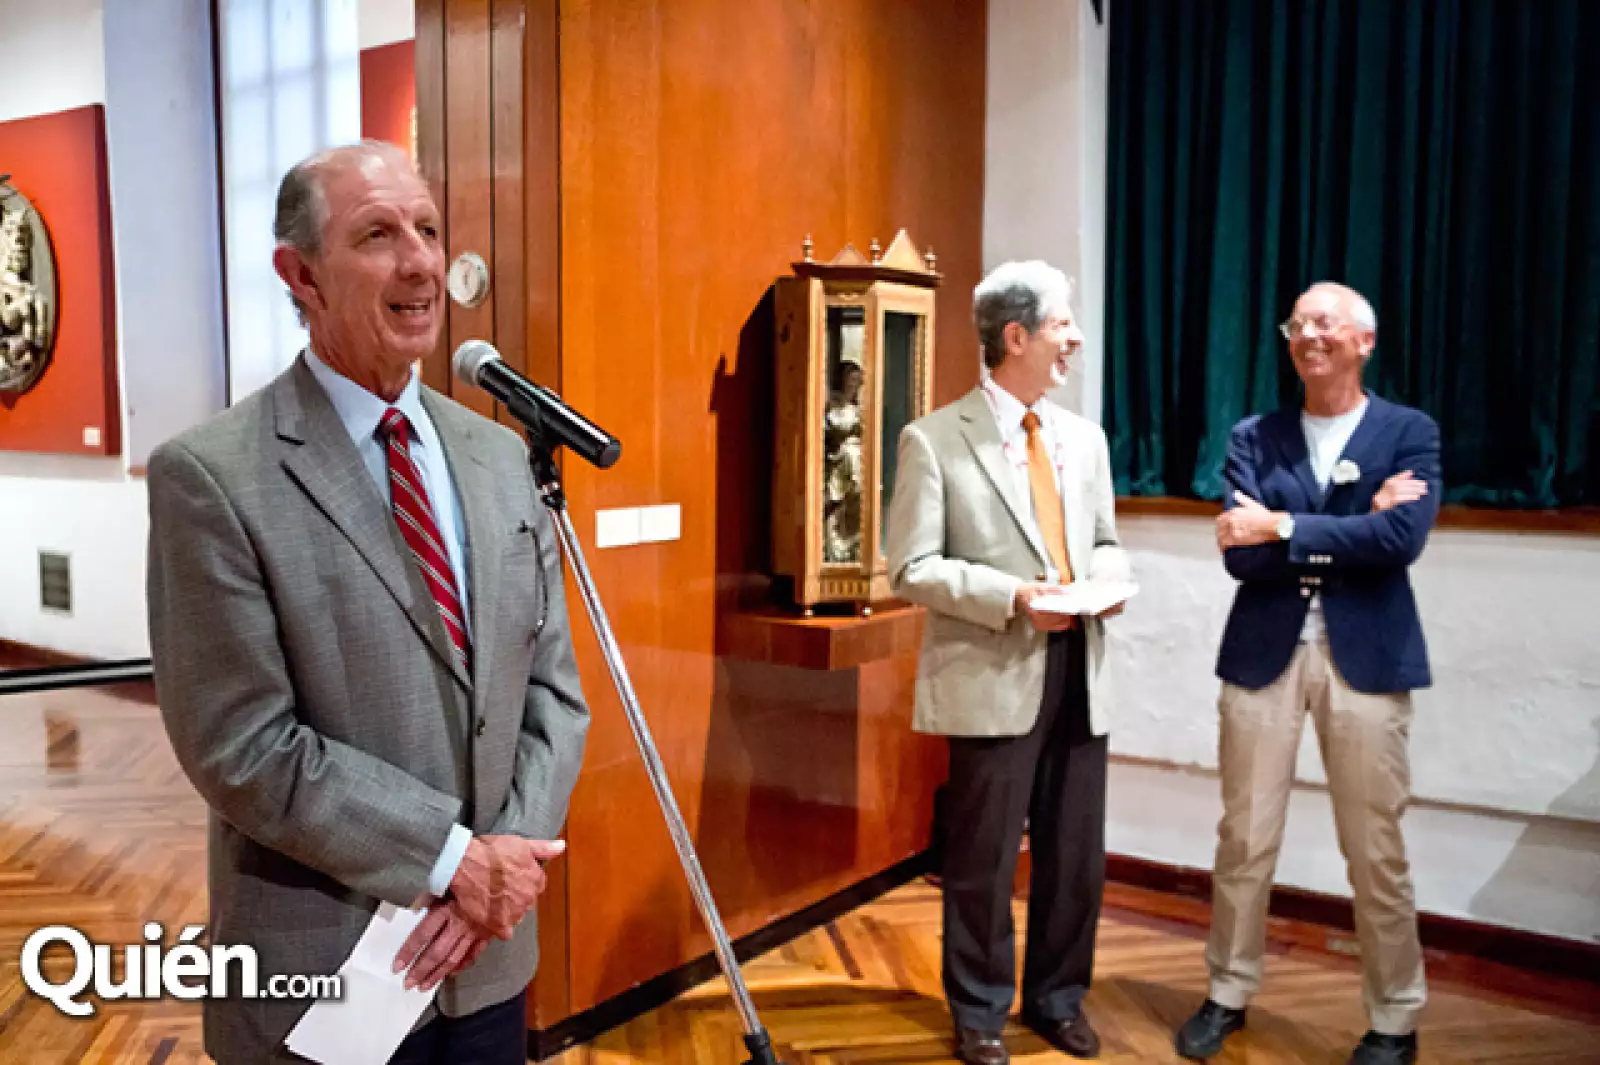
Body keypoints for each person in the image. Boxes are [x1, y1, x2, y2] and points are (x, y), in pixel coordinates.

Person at [146, 141, 590, 1065]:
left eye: (427, 229)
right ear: (299, 273)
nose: (422, 260)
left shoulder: (502, 458)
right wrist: (453, 862)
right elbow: (242, 743)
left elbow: (552, 690)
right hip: (326, 973)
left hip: (489, 963)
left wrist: (499, 867)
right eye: (378, 234)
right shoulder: (216, 476)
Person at [1175, 282, 1439, 1065]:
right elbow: (1241, 553)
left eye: (1325, 323)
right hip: (1264, 656)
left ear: (1365, 340)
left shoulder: (1409, 431)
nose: (1308, 334)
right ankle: (1227, 991)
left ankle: (1395, 1016)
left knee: (1375, 846)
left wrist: (1286, 522)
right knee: (1244, 837)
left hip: (1368, 660)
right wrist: (1355, 523)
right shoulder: (1255, 436)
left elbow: (1402, 540)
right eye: (1297, 323)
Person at [886, 260, 1130, 1065]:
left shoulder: (1085, 439)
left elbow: (1100, 538)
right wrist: (1013, 595)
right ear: (1016, 335)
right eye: (1063, 323)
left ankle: (1059, 1001)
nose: (1076, 338)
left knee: (1074, 856)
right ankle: (980, 1012)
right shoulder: (932, 439)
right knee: (983, 861)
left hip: (1079, 671)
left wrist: (1107, 579)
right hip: (992, 672)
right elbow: (910, 565)